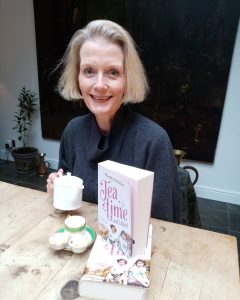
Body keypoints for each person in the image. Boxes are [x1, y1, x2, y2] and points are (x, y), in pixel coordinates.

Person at [46, 19, 181, 223]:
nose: (99, 85)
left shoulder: (153, 141)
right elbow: (68, 201)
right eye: (89, 71)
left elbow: (165, 228)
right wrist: (57, 186)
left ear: (128, 79)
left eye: (113, 72)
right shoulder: (73, 132)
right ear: (77, 77)